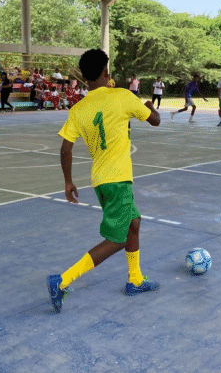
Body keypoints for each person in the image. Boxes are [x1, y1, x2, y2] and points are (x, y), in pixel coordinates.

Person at [47, 48, 161, 313]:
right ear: (105, 72)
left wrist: (68, 182)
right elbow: (155, 120)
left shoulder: (79, 108)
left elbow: (65, 148)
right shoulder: (123, 96)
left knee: (133, 223)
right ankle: (62, 281)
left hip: (100, 179)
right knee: (118, 238)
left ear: (86, 77)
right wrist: (149, 106)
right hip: (118, 179)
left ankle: (135, 279)